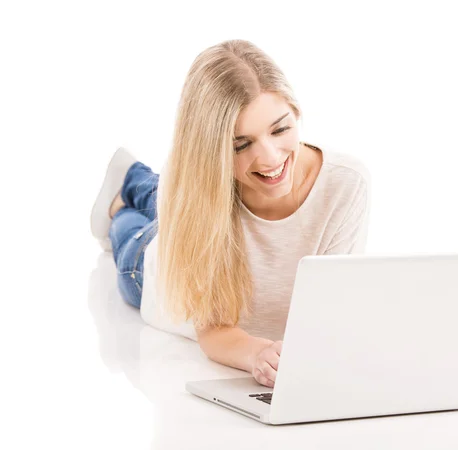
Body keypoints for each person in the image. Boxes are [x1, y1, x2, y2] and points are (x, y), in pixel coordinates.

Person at [90, 39, 371, 388]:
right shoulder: (192, 188)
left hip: (199, 190)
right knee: (132, 236)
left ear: (296, 114)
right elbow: (213, 330)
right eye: (242, 145)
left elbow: (333, 310)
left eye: (281, 129)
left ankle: (135, 176)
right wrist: (256, 353)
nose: (270, 157)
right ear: (212, 154)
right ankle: (121, 198)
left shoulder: (347, 183)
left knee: (172, 189)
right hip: (156, 277)